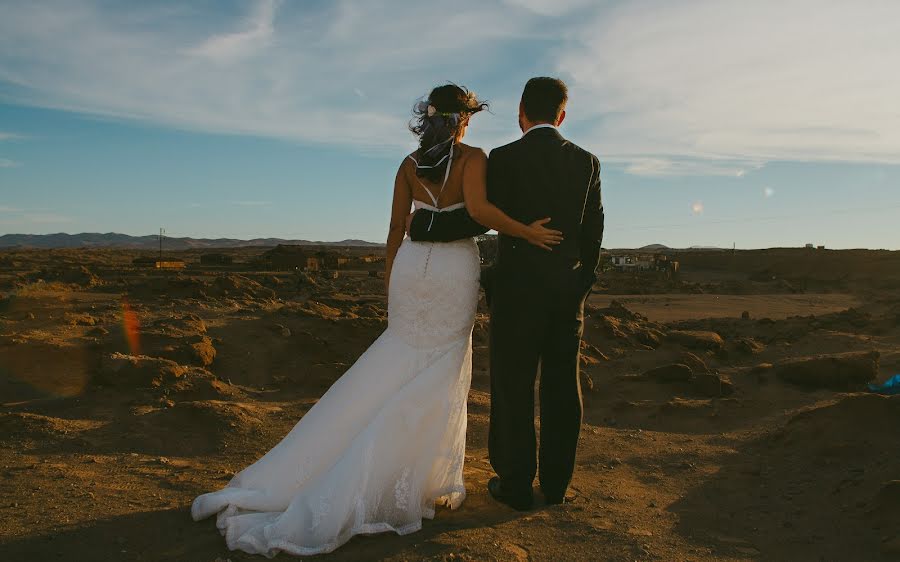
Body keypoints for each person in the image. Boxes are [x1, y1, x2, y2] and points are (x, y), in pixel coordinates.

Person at [191, 83, 561, 557]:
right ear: (462, 119)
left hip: (412, 269)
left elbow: (393, 229)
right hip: (452, 271)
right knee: (443, 370)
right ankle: (418, 480)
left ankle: (390, 470)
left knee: (398, 361)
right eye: (468, 117)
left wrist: (391, 281)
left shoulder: (408, 165)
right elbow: (480, 212)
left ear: (430, 119)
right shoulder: (473, 158)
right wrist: (527, 231)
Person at [408, 77, 604, 511]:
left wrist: (425, 226)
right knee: (561, 389)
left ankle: (514, 485)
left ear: (521, 113)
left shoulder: (504, 157)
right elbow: (594, 233)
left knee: (513, 388)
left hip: (516, 293)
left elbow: (482, 218)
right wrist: (580, 286)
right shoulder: (587, 162)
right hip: (565, 297)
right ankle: (556, 485)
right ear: (562, 115)